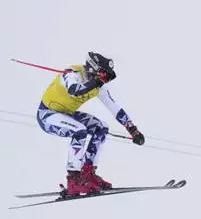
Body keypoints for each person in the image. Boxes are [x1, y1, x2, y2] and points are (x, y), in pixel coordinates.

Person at [36, 52, 145, 196]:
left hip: (66, 113)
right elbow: (74, 91)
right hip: (47, 115)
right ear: (94, 69)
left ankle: (87, 173)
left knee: (101, 127)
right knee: (79, 130)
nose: (106, 80)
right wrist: (97, 82)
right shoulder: (73, 74)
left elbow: (114, 108)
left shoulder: (99, 86)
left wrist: (132, 129)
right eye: (104, 75)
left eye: (108, 77)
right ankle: (74, 180)